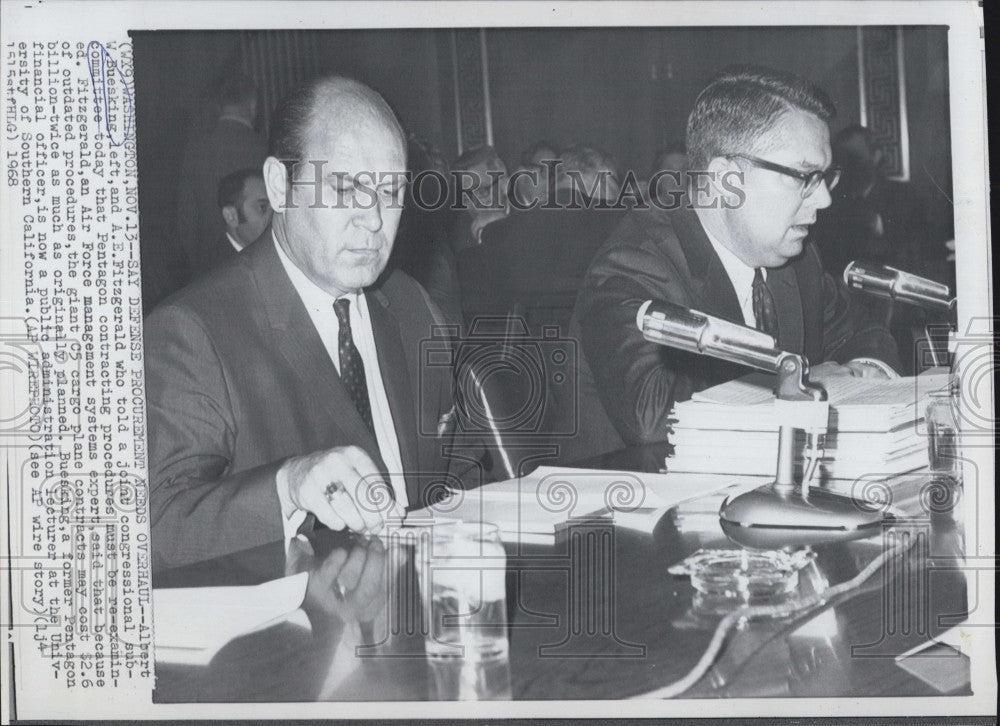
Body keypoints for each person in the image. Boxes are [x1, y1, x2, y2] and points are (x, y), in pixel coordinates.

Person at [146, 76, 479, 571]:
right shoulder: (194, 332)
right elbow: (156, 528)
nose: (373, 220)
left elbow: (454, 468)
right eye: (345, 189)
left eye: (390, 193)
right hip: (288, 640)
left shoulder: (411, 306)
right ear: (280, 187)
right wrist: (288, 485)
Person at [561, 65, 901, 462]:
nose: (824, 199)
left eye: (825, 177)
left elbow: (865, 332)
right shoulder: (635, 263)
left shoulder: (796, 258)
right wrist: (800, 381)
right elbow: (651, 418)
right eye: (804, 177)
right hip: (634, 504)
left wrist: (867, 366)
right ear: (726, 181)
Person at [175, 71, 268, 279]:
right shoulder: (262, 148)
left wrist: (196, 263)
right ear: (253, 106)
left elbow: (185, 219)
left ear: (220, 106)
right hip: (255, 264)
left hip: (207, 269)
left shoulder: (195, 149)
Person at [201, 167, 273, 267]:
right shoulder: (214, 273)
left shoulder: (270, 256)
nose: (274, 217)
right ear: (231, 216)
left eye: (276, 207)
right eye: (263, 207)